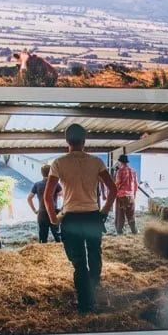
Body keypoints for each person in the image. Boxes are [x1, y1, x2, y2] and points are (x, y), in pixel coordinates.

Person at [45, 123, 118, 314]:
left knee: (79, 262)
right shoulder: (96, 162)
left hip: (71, 219)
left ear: (67, 141)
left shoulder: (59, 163)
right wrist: (104, 211)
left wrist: (54, 219)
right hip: (93, 216)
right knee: (95, 255)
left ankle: (85, 304)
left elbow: (47, 196)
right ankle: (94, 290)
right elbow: (113, 189)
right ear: (84, 141)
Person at [27, 163, 60, 243]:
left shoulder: (37, 184)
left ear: (42, 173)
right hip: (53, 212)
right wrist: (61, 209)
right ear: (51, 172)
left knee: (42, 238)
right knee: (58, 237)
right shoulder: (56, 184)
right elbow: (64, 195)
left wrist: (34, 210)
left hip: (42, 213)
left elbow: (29, 198)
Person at [112, 153, 138, 235]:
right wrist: (134, 195)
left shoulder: (120, 171)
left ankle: (119, 232)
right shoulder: (133, 171)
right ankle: (134, 231)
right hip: (131, 196)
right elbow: (136, 184)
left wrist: (113, 192)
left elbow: (117, 183)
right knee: (131, 214)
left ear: (121, 162)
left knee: (120, 215)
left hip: (121, 196)